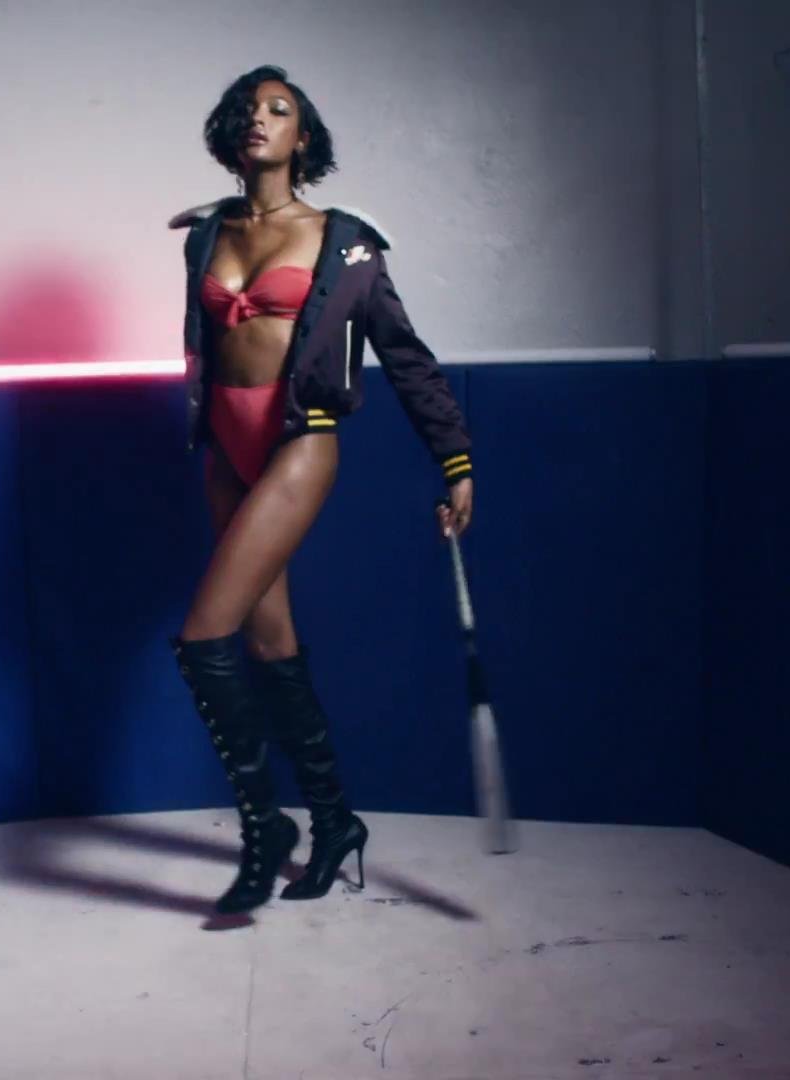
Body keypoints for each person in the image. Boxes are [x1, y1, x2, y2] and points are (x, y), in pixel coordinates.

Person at [166, 65, 476, 914]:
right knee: (269, 644)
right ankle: (335, 821)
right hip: (224, 450)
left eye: (280, 110)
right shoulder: (205, 234)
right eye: (249, 109)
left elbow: (404, 356)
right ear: (230, 133)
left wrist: (455, 459)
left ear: (304, 137)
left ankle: (265, 829)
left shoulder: (346, 241)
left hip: (298, 442)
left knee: (203, 636)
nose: (261, 118)